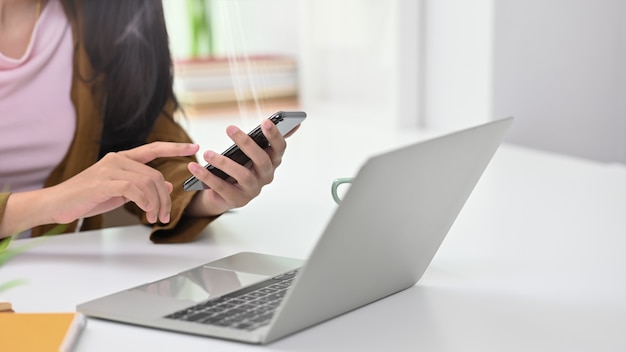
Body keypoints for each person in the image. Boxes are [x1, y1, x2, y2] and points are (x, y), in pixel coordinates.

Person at [0, 0, 297, 243]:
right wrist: (54, 203)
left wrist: (205, 195)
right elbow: (72, 195)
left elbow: (146, 146)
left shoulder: (113, 12)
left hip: (59, 274)